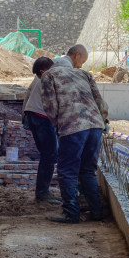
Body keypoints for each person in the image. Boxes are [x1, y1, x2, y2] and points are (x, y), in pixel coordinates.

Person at [41, 44, 109, 223]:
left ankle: (71, 213)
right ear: (76, 56)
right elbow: (99, 101)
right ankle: (96, 211)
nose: (80, 65)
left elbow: (50, 105)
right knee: (88, 170)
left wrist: (58, 125)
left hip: (72, 127)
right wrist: (104, 121)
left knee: (67, 170)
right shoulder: (84, 74)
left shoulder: (49, 76)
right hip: (95, 126)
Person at [23, 57, 61, 205]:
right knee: (50, 154)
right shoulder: (52, 74)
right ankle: (42, 192)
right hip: (41, 116)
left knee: (48, 154)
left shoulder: (50, 74)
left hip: (33, 114)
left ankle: (42, 191)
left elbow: (28, 92)